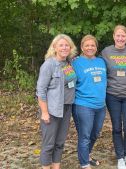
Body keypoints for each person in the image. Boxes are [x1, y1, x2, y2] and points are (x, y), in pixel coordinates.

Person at [36, 34, 77, 169]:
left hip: (66, 109)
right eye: (61, 45)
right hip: (52, 110)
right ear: (54, 47)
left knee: (60, 143)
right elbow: (41, 90)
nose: (64, 48)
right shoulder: (49, 65)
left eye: (67, 45)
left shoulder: (68, 63)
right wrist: (44, 112)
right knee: (49, 144)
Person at [101, 25, 126, 169]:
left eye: (123, 36)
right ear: (113, 36)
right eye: (118, 35)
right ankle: (120, 157)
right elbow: (98, 65)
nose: (120, 38)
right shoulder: (106, 52)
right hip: (112, 95)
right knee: (117, 127)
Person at [72, 35, 107, 169]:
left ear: (96, 47)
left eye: (92, 45)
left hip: (100, 105)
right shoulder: (75, 62)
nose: (90, 48)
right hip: (83, 105)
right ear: (82, 47)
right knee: (85, 135)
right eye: (87, 45)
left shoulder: (101, 61)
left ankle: (86, 155)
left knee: (95, 133)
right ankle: (84, 164)